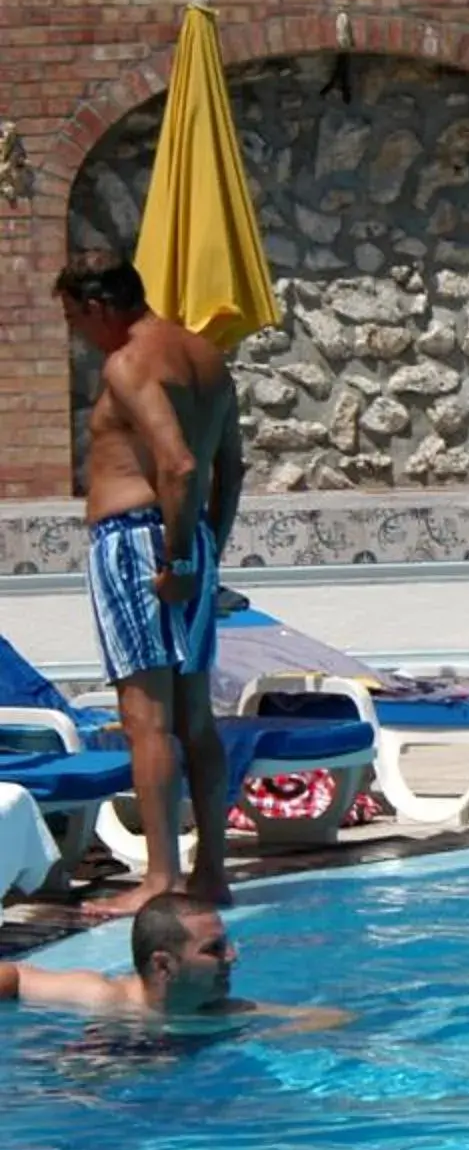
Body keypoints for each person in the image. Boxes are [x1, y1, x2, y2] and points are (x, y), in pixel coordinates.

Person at [56, 252, 245, 916]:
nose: (78, 334)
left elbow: (181, 461)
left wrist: (176, 555)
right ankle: (212, 874)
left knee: (147, 720)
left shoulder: (130, 362)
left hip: (141, 543)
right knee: (194, 718)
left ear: (100, 307)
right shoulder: (205, 356)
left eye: (76, 319)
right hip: (184, 540)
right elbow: (231, 467)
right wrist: (203, 550)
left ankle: (161, 880)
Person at [0, 892, 346, 1029]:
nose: (232, 957)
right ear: (164, 965)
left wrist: (261, 1037)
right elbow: (14, 975)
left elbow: (333, 1016)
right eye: (214, 949)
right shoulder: (103, 997)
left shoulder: (222, 1013)